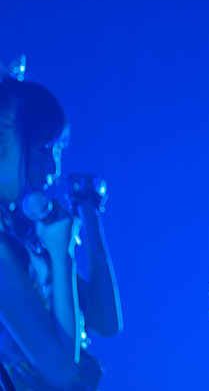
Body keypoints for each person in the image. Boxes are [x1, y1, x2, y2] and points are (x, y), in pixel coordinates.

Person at [0, 58, 122, 391]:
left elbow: (105, 322)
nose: (53, 169)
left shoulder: (23, 237)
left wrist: (90, 218)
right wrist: (61, 254)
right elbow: (62, 372)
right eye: (43, 149)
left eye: (58, 150)